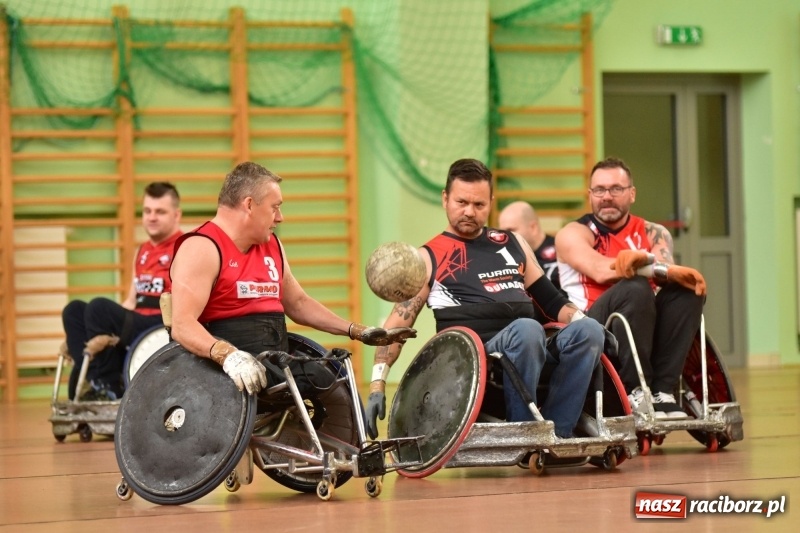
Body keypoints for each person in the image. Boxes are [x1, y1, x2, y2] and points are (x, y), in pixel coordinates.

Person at [364, 158, 611, 441]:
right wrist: (377, 386)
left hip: (531, 348)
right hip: (475, 360)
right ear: (445, 199)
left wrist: (585, 321)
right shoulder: (427, 258)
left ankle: (559, 433)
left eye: (479, 205)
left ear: (491, 202)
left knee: (588, 330)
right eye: (461, 202)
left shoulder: (513, 243)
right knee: (527, 329)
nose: (469, 212)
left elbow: (553, 302)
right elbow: (396, 327)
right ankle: (524, 433)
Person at [168, 161, 415, 396]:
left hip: (273, 358)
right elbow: (182, 325)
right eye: (274, 207)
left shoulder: (271, 245)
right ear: (249, 205)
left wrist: (358, 331)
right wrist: (227, 355)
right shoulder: (201, 248)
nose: (280, 217)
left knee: (332, 379)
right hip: (223, 367)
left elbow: (297, 303)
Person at [555, 157, 706, 419]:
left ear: (632, 193)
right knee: (634, 287)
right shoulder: (574, 233)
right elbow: (601, 270)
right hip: (593, 326)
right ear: (590, 194)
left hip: (642, 323)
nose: (607, 197)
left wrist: (674, 273)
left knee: (685, 291)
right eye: (599, 190)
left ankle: (662, 391)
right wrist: (647, 265)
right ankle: (635, 389)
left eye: (616, 189)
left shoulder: (653, 232)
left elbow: (666, 271)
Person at [61, 182, 183, 400]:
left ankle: (108, 386)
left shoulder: (185, 247)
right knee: (75, 310)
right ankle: (94, 379)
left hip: (161, 325)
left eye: (160, 212)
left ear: (176, 215)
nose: (152, 217)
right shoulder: (143, 251)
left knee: (99, 307)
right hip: (138, 319)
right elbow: (131, 300)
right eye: (147, 211)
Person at [498, 201, 561, 292]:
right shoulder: (505, 258)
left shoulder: (562, 253)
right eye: (502, 232)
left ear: (533, 227)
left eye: (511, 230)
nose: (505, 237)